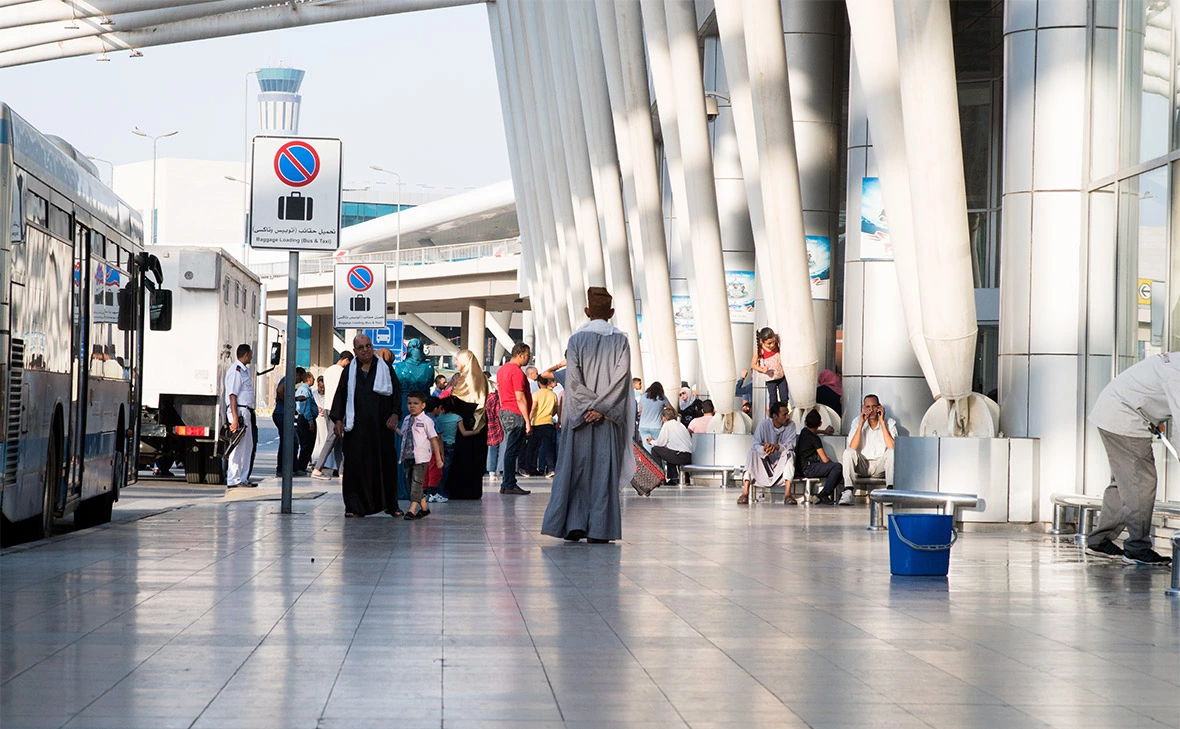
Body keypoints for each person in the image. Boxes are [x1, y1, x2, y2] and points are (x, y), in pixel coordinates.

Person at [542, 287, 634, 543]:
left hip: (579, 418)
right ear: (612, 313)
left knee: (575, 470)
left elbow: (571, 381)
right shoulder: (621, 341)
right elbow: (621, 379)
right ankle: (600, 529)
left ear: (586, 311)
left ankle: (573, 525)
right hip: (607, 419)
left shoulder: (575, 340)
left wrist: (588, 407)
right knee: (604, 472)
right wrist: (602, 408)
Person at [1085, 353, 1179, 565]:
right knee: (1141, 483)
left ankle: (1100, 541)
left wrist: (1154, 417)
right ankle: (1137, 548)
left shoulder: (1174, 362)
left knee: (1125, 481)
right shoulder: (1177, 373)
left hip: (1115, 411)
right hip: (1124, 417)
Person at [329, 334, 403, 518]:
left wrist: (395, 414)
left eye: (368, 346)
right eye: (361, 347)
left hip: (381, 429)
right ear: (355, 351)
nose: (365, 349)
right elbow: (341, 395)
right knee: (355, 467)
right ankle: (354, 507)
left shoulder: (385, 368)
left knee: (385, 466)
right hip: (357, 429)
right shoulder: (350, 371)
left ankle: (391, 505)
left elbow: (396, 393)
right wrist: (338, 420)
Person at [442, 349, 491, 500]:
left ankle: (457, 491)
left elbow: (454, 403)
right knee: (474, 460)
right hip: (478, 426)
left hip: (461, 426)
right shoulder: (482, 379)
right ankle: (473, 491)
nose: (455, 363)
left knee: (460, 459)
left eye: (457, 360)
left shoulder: (461, 381)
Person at [840, 394, 897, 505]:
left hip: (880, 465)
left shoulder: (890, 422)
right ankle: (848, 491)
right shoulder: (857, 421)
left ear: (879, 407)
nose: (871, 410)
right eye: (868, 407)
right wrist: (861, 424)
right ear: (863, 408)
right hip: (863, 465)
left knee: (892, 452)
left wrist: (882, 422)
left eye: (874, 407)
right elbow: (852, 447)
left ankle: (890, 491)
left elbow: (892, 446)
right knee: (848, 452)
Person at [737, 401, 797, 505]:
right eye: (784, 414)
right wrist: (764, 449)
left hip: (781, 461)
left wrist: (776, 447)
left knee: (790, 454)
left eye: (787, 414)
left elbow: (791, 445)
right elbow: (755, 444)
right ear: (775, 416)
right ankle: (745, 492)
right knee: (751, 454)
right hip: (765, 461)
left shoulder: (791, 425)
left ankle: (787, 494)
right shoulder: (764, 424)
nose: (788, 417)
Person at [398, 391, 444, 520]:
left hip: (421, 458)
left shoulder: (426, 421)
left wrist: (439, 458)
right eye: (410, 403)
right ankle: (424, 508)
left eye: (416, 403)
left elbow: (434, 439)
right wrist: (394, 428)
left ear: (423, 405)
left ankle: (411, 510)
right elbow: (404, 435)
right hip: (408, 457)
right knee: (409, 484)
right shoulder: (407, 419)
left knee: (417, 484)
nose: (412, 406)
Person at [496, 342, 532, 495]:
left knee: (510, 448)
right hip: (515, 413)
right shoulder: (516, 372)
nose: (529, 359)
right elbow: (520, 398)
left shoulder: (502, 370)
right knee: (512, 450)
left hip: (505, 411)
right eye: (527, 356)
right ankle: (509, 483)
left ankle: (508, 483)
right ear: (521, 354)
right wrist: (528, 421)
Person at [313, 351, 353, 479]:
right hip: (338, 408)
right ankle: (317, 468)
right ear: (346, 360)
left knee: (338, 441)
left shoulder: (328, 371)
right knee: (331, 439)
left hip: (327, 407)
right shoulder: (341, 372)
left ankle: (341, 470)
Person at [223, 344, 255, 488]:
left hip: (246, 411)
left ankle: (243, 478)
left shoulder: (244, 371)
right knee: (237, 447)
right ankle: (233, 479)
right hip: (239, 412)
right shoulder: (236, 371)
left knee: (247, 446)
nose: (252, 356)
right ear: (246, 354)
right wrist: (235, 419)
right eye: (251, 354)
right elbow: (232, 396)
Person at [797, 409, 843, 504]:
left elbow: (813, 431)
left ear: (805, 422)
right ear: (820, 423)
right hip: (809, 468)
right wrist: (832, 465)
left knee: (836, 470)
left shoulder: (803, 432)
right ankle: (824, 494)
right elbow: (825, 459)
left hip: (801, 468)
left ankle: (821, 495)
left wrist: (824, 432)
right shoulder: (815, 439)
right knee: (838, 468)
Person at [649, 405, 693, 485]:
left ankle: (659, 477)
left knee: (655, 449)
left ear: (664, 418)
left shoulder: (667, 425)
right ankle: (679, 478)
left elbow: (660, 443)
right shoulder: (681, 425)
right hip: (688, 455)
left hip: (679, 455)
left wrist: (652, 441)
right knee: (669, 449)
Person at [526, 376, 560, 478]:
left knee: (531, 447)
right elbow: (555, 410)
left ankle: (527, 469)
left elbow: (533, 408)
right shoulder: (553, 395)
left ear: (539, 383)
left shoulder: (536, 394)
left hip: (537, 423)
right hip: (548, 422)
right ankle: (551, 469)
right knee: (548, 447)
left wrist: (528, 421)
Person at [430, 396, 461, 502]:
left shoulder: (439, 418)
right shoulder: (457, 417)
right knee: (445, 471)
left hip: (435, 447)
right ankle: (440, 491)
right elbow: (439, 437)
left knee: (435, 470)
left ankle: (432, 490)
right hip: (449, 445)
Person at [751, 327, 789, 406]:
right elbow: (753, 365)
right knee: (773, 398)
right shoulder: (760, 350)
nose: (772, 345)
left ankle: (784, 413)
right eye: (769, 344)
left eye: (773, 342)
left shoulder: (777, 344)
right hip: (770, 378)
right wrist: (762, 370)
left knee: (784, 398)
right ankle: (773, 416)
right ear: (762, 342)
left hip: (781, 376)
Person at [294, 370, 317, 476]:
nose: (314, 380)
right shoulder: (304, 390)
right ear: (308, 379)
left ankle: (302, 466)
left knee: (308, 444)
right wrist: (310, 422)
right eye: (313, 378)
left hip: (306, 419)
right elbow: (305, 408)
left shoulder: (306, 390)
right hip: (305, 420)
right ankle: (301, 466)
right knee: (306, 444)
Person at [638, 382, 668, 450]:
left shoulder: (643, 396)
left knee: (647, 449)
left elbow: (640, 410)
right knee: (658, 448)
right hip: (656, 426)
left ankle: (649, 460)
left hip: (643, 425)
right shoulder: (662, 397)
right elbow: (670, 409)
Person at [485, 381, 504, 478]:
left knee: (492, 448)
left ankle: (491, 470)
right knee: (497, 448)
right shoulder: (496, 398)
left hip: (488, 424)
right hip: (496, 424)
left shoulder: (488, 397)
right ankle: (496, 469)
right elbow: (497, 412)